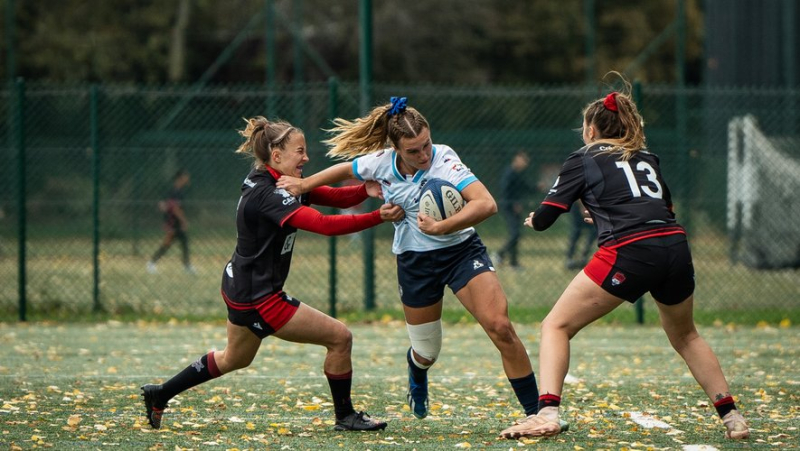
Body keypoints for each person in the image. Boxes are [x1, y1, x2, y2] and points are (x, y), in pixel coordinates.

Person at [276, 97, 566, 435]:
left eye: (426, 144)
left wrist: (442, 226)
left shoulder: (445, 159)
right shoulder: (381, 163)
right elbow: (345, 169)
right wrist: (303, 185)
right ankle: (417, 369)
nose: (424, 154)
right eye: (413, 151)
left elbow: (487, 204)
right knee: (427, 351)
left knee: (501, 327)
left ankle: (537, 414)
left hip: (461, 252)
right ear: (396, 149)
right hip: (416, 262)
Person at [501, 78, 750, 440]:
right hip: (674, 245)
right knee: (686, 335)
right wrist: (603, 213)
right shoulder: (647, 156)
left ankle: (547, 412)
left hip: (630, 250)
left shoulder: (584, 156)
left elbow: (545, 219)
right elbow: (660, 208)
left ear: (590, 128)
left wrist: (533, 218)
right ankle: (732, 416)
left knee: (556, 326)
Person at [141, 117, 403, 432]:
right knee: (340, 338)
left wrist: (365, 189)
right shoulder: (268, 194)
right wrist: (378, 217)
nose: (306, 158)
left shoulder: (282, 180)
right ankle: (345, 417)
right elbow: (323, 224)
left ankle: (160, 394)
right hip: (259, 297)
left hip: (240, 286)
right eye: (300, 152)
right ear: (276, 156)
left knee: (233, 359)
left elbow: (332, 197)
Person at [147, 169, 194, 274]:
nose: (188, 179)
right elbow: (175, 208)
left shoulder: (177, 191)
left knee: (183, 242)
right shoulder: (175, 191)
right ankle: (152, 263)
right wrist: (183, 221)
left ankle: (187, 266)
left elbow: (165, 205)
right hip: (173, 222)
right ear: (180, 178)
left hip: (174, 221)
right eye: (186, 176)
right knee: (168, 243)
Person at [493, 151, 533, 269]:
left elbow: (525, 187)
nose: (525, 164)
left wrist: (537, 187)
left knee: (516, 234)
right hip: (509, 207)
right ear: (516, 159)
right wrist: (514, 203)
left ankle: (513, 262)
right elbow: (505, 191)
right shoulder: (509, 173)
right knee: (515, 234)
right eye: (523, 161)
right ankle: (499, 254)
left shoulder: (517, 174)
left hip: (515, 208)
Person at [565, 201, 595, 270]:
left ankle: (584, 257)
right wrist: (583, 206)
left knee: (593, 231)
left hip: (591, 205)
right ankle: (570, 258)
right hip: (578, 205)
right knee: (577, 231)